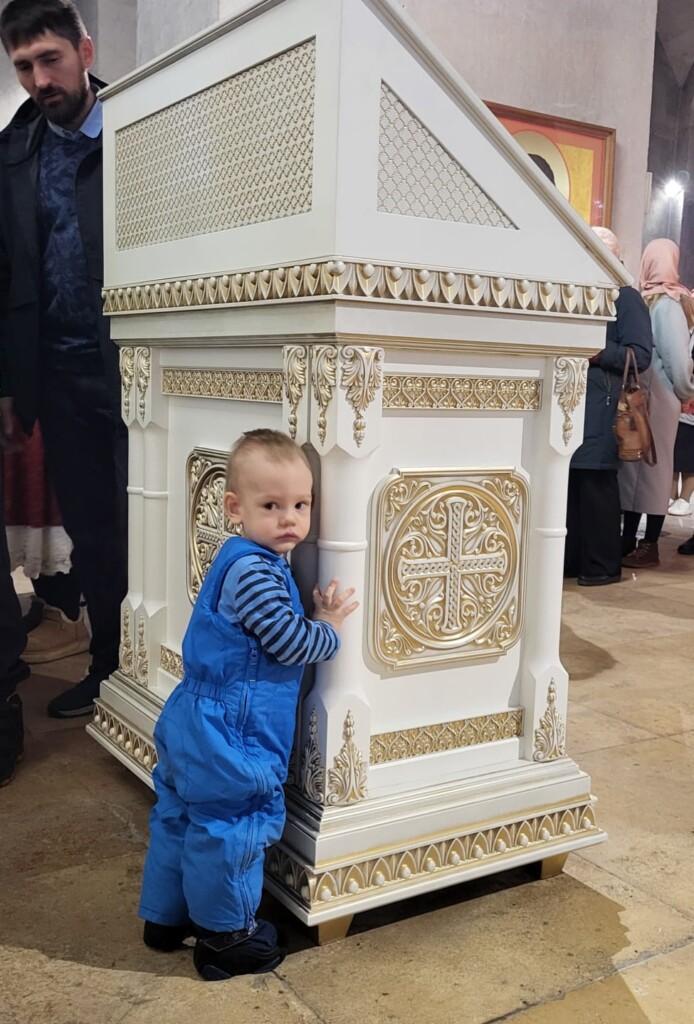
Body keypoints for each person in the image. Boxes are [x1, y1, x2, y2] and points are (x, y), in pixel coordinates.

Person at [138, 430, 358, 981]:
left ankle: (164, 917)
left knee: (180, 816)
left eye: (301, 505)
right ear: (235, 508)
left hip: (192, 714)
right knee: (233, 825)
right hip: (231, 729)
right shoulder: (257, 571)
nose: (289, 519)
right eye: (271, 506)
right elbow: (287, 642)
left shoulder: (234, 558)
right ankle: (226, 936)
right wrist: (329, 626)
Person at [0, 0, 127, 717]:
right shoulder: (13, 153)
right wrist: (8, 384)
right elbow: (4, 273)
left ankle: (162, 676)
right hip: (60, 376)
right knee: (93, 536)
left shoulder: (142, 128)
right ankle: (108, 669)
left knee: (150, 527)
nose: (39, 80)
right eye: (23, 66)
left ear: (84, 51)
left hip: (141, 369)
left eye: (50, 59)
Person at [564, 227, 652, 585]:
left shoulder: (626, 298)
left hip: (604, 406)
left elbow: (640, 355)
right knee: (571, 484)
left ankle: (601, 566)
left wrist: (599, 352)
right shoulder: (578, 290)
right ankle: (572, 563)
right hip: (572, 402)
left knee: (596, 483)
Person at [619, 239, 694, 567]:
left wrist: (685, 392)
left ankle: (649, 544)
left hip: (660, 401)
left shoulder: (667, 306)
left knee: (654, 468)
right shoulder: (652, 300)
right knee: (637, 467)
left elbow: (677, 360)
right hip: (647, 399)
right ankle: (629, 540)